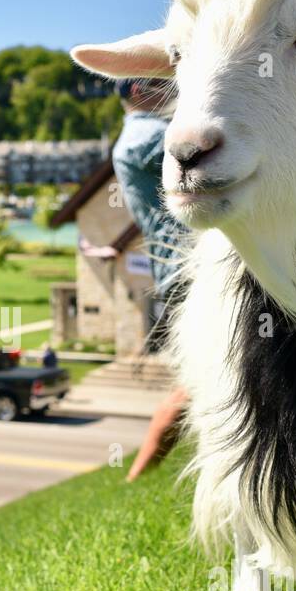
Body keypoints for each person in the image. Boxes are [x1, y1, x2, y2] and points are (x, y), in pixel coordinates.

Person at [111, 78, 191, 483]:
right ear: (139, 92)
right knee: (199, 382)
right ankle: (138, 478)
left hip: (179, 267)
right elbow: (195, 148)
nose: (171, 87)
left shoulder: (136, 136)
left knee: (201, 381)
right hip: (187, 268)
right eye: (159, 83)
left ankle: (139, 478)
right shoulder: (148, 134)